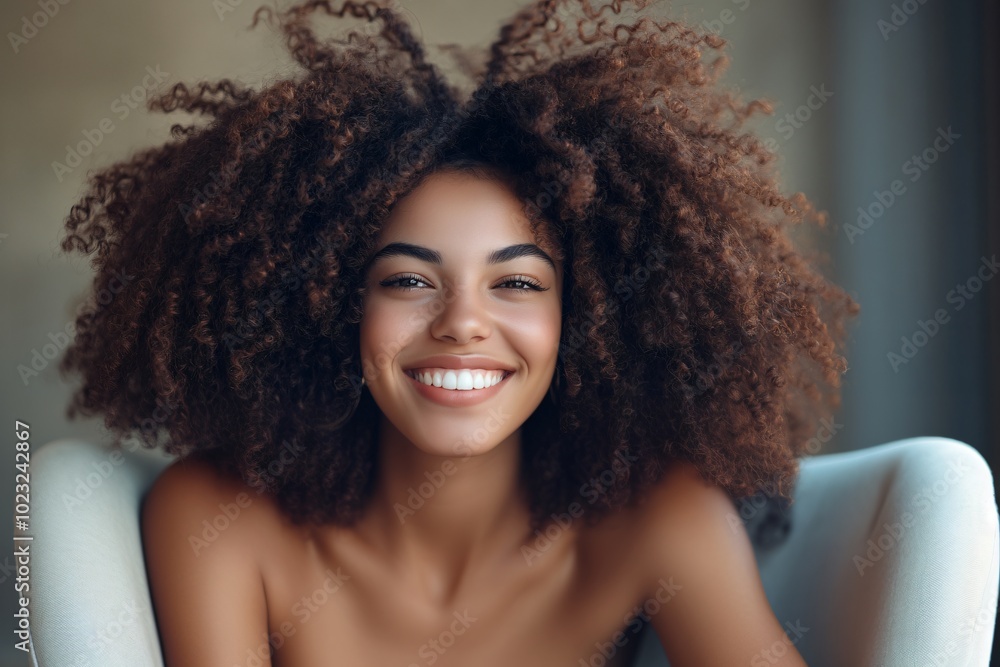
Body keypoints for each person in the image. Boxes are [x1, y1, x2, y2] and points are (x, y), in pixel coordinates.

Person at [57, 0, 859, 664]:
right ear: (331, 307)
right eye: (408, 280)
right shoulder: (220, 518)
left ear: (586, 318)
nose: (463, 323)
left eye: (516, 283)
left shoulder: (658, 513)